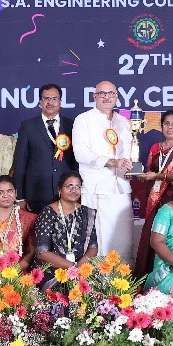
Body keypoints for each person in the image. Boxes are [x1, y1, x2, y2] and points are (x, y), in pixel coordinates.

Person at [73, 80, 136, 262]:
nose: (106, 97)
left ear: (116, 96)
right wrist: (112, 162)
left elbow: (129, 153)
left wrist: (132, 168)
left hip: (121, 188)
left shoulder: (124, 121)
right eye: (102, 94)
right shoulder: (84, 119)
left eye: (111, 94)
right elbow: (81, 154)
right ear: (94, 97)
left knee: (124, 241)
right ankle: (100, 280)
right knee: (100, 242)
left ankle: (124, 278)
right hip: (97, 189)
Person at [133, 110, 173, 278]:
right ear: (161, 127)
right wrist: (140, 176)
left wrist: (157, 176)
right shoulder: (156, 148)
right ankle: (149, 279)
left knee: (170, 238)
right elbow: (150, 170)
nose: (170, 127)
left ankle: (172, 277)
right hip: (154, 199)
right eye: (166, 124)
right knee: (153, 237)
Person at [13, 84, 77, 213]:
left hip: (67, 193)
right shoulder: (28, 126)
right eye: (46, 98)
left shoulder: (72, 125)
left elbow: (76, 162)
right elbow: (20, 163)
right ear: (40, 102)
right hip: (36, 194)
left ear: (60, 102)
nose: (50, 102)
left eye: (54, 99)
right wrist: (20, 197)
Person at [34, 171, 98, 272]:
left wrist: (79, 268)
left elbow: (93, 247)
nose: (74, 190)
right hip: (52, 271)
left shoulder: (86, 213)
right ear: (59, 189)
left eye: (78, 187)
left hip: (81, 268)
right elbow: (42, 252)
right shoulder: (48, 212)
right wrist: (73, 268)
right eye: (69, 186)